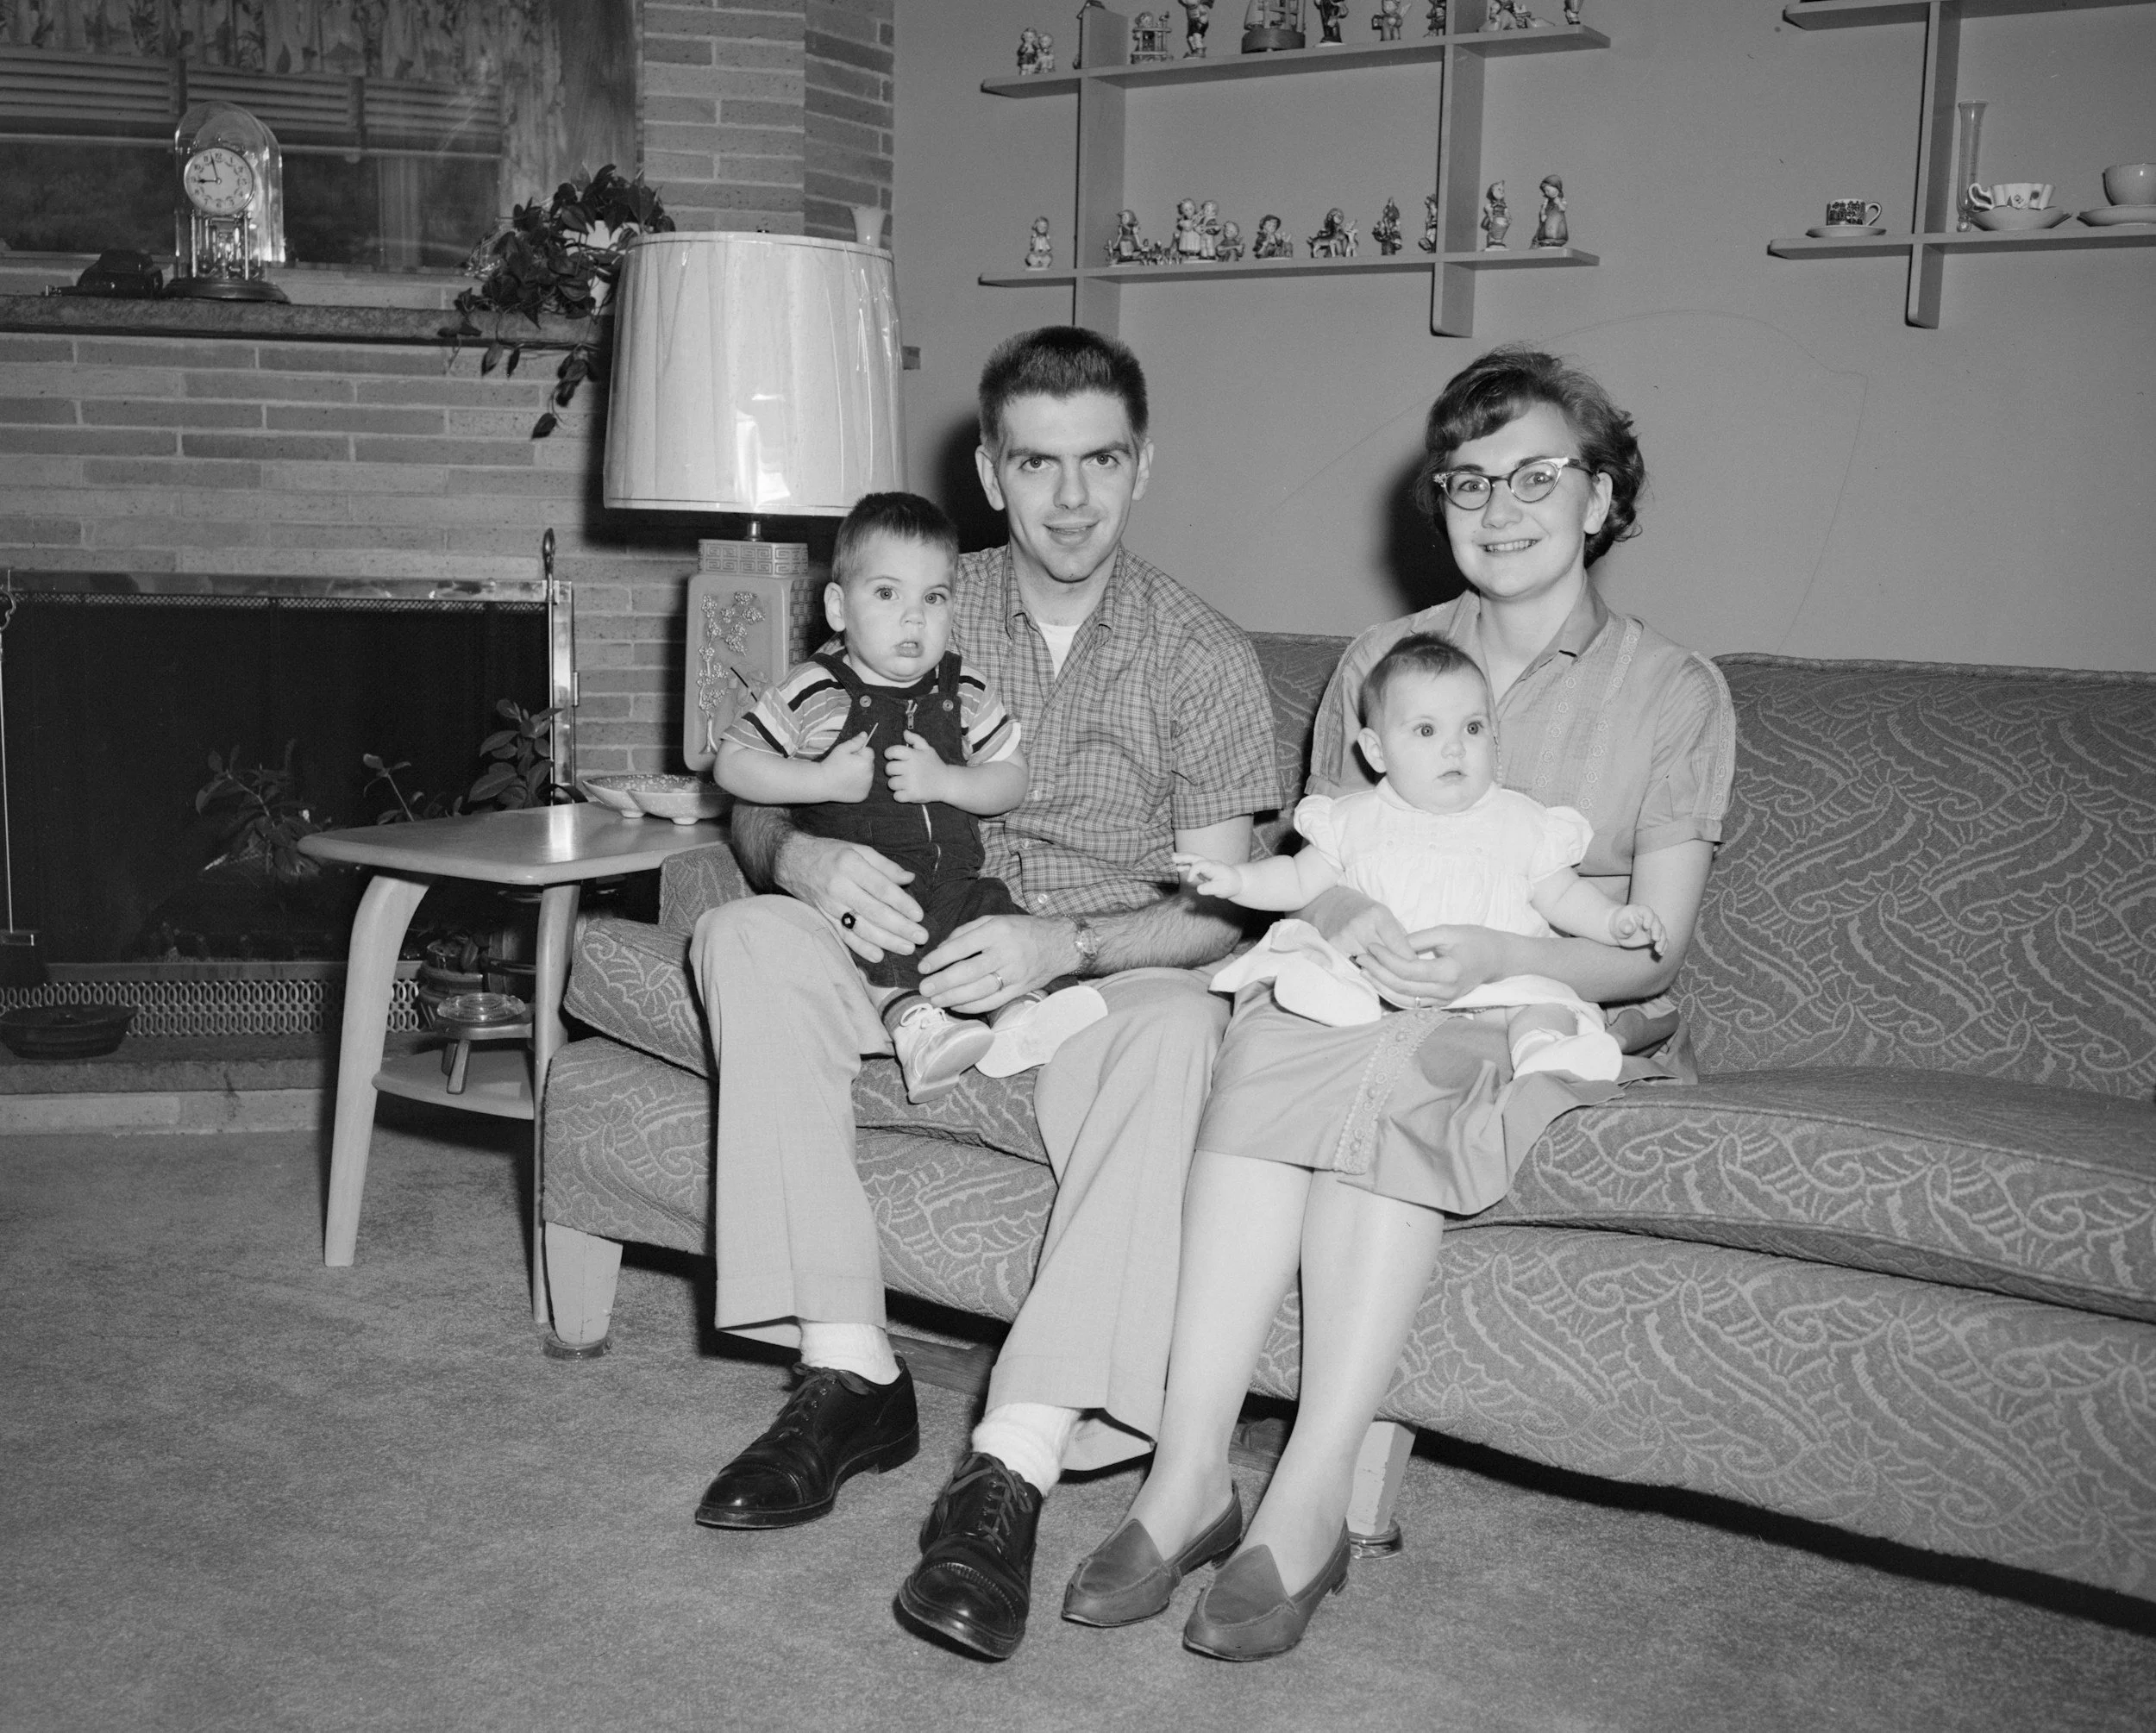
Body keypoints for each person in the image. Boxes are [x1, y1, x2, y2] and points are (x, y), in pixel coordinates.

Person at [1062, 346, 1734, 1661]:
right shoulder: (1385, 657)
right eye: (1469, 479)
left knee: (1395, 1091)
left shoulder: (1674, 691)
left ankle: (1305, 1504)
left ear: (1602, 499)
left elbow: (1650, 951)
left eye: (1539, 473)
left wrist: (1488, 954)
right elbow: (1325, 870)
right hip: (1366, 988)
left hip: (1554, 1002)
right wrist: (1349, 922)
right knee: (1265, 1050)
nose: (1500, 504)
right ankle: (1188, 1473)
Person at [688, 326, 1282, 1662]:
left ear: (1142, 467)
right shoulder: (912, 595)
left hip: (1083, 968)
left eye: (1101, 462)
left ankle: (1008, 1462)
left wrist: (1062, 945)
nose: (1070, 498)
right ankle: (850, 1372)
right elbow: (752, 795)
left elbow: (1229, 909)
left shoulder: (1201, 654)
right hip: (896, 943)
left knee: (1187, 1030)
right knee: (744, 941)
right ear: (989, 469)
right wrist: (807, 853)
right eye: (1037, 463)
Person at [713, 491, 1099, 1103]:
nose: (913, 619)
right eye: (887, 594)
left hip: (954, 882)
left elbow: (1011, 776)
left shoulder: (964, 687)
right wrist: (820, 781)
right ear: (839, 607)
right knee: (876, 959)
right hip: (867, 893)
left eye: (933, 598)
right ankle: (917, 1034)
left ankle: (1019, 1019)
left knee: (990, 921)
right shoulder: (815, 689)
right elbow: (734, 764)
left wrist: (948, 782)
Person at [1177, 629, 1668, 1089]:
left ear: (1495, 737)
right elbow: (1296, 880)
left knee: (1544, 1001)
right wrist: (1237, 879)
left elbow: (1563, 895)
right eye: (1426, 730)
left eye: (1473, 727)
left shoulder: (1524, 821)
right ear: (1377, 750)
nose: (1455, 746)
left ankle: (1545, 1050)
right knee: (1325, 959)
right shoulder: (1353, 819)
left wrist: (1614, 921)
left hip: (1493, 987)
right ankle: (1334, 1004)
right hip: (1381, 978)